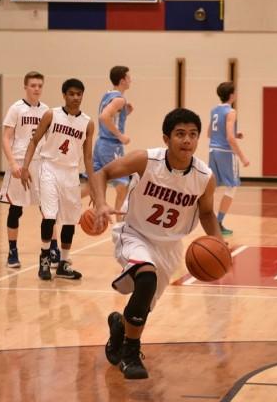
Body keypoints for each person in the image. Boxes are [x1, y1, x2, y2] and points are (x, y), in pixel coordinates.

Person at [90, 108, 223, 379]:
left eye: (193, 135)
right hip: (135, 234)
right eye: (180, 134)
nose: (187, 140)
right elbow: (101, 173)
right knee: (146, 277)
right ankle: (130, 354)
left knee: (142, 307)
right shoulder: (145, 160)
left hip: (170, 248)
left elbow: (207, 213)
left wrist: (218, 243)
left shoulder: (204, 177)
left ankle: (119, 328)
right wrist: (102, 203)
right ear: (166, 138)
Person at [21, 78, 94, 280]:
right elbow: (34, 141)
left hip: (71, 173)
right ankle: (44, 258)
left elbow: (88, 157)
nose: (75, 97)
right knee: (50, 215)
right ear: (64, 95)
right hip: (49, 168)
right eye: (71, 93)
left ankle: (63, 263)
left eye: (79, 94)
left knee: (70, 220)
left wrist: (94, 187)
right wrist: (25, 167)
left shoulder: (87, 123)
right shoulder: (51, 114)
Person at [0, 72, 49, 268]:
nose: (36, 88)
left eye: (39, 85)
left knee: (48, 208)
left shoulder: (46, 111)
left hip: (40, 163)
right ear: (25, 87)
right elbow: (6, 138)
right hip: (19, 161)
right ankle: (12, 250)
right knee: (15, 209)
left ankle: (52, 248)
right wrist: (12, 164)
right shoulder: (16, 109)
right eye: (33, 85)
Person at [208, 81, 249, 235]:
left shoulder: (214, 110)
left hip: (213, 151)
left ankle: (208, 219)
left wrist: (235, 133)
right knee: (232, 187)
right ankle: (218, 222)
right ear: (231, 95)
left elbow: (209, 133)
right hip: (225, 153)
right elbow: (230, 138)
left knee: (212, 187)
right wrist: (243, 157)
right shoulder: (231, 112)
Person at [92, 65, 133, 214]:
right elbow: (103, 117)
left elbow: (109, 116)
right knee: (123, 185)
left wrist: (125, 113)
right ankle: (119, 224)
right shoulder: (119, 99)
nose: (131, 80)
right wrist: (120, 136)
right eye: (129, 77)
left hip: (101, 143)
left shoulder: (108, 94)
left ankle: (66, 200)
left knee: (94, 182)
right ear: (122, 80)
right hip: (111, 146)